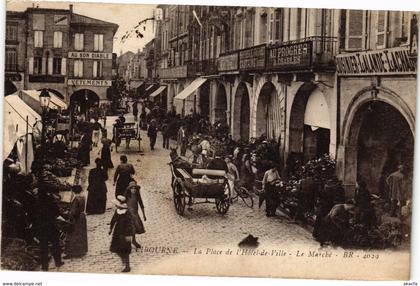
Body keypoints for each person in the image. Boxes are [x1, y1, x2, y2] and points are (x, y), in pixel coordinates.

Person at [34, 181, 64, 271]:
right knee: (55, 244)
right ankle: (58, 261)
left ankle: (44, 266)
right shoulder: (51, 201)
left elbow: (33, 215)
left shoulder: (36, 202)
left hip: (41, 227)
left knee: (43, 247)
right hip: (51, 226)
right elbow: (57, 212)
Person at [109, 195, 134, 272]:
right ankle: (123, 262)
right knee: (117, 249)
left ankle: (127, 266)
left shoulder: (127, 213)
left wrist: (129, 235)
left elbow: (130, 225)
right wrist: (110, 228)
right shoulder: (117, 211)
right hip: (117, 232)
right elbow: (113, 220)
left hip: (125, 233)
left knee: (125, 250)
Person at [64, 185, 88, 259]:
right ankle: (81, 250)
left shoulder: (75, 199)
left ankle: (72, 252)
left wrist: (68, 214)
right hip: (82, 217)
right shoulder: (82, 197)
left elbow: (73, 212)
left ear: (73, 191)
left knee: (72, 234)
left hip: (76, 218)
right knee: (81, 234)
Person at [124, 181, 146, 249]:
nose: (133, 190)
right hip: (128, 215)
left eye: (135, 188)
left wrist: (144, 215)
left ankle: (133, 241)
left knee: (133, 229)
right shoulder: (126, 196)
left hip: (135, 215)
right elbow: (121, 204)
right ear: (129, 189)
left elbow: (141, 204)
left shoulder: (137, 195)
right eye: (132, 188)